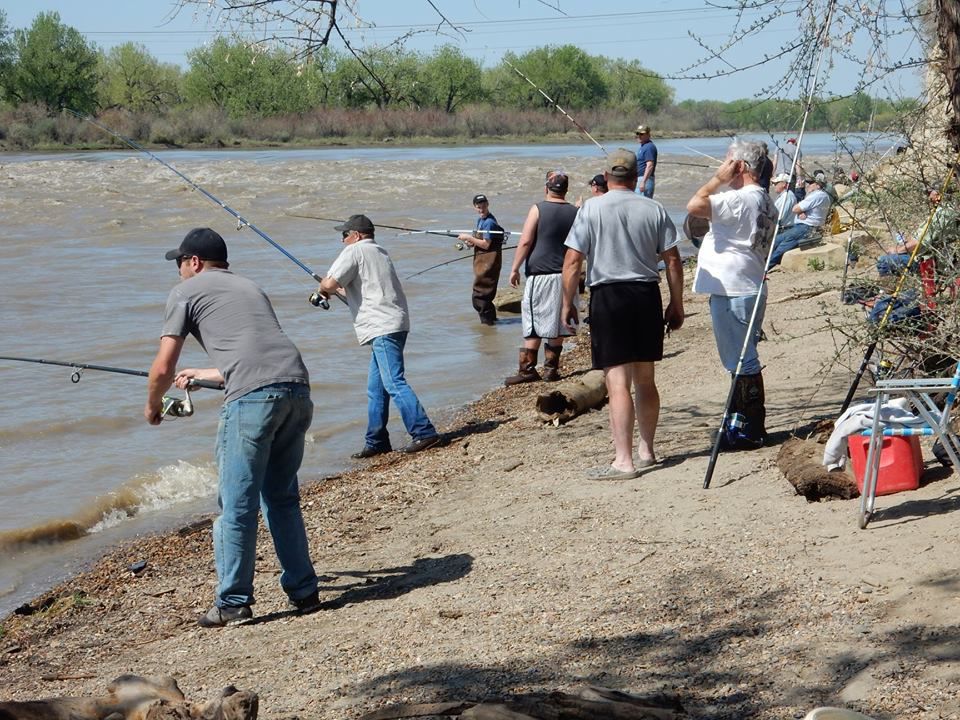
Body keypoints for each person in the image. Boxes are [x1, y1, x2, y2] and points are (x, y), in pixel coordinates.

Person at [145, 227, 319, 628]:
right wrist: (201, 376)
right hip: (297, 389)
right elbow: (254, 360)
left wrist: (152, 407)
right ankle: (305, 591)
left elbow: (162, 366)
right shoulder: (250, 287)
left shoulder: (185, 292)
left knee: (235, 505)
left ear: (194, 262)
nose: (178, 272)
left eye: (179, 263)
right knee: (281, 499)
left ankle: (233, 602)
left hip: (253, 401)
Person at [561, 148, 684, 480]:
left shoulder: (590, 209)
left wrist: (567, 302)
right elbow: (673, 260)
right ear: (634, 176)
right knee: (645, 380)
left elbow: (573, 261)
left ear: (606, 175)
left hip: (609, 296)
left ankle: (623, 461)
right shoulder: (654, 207)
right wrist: (677, 303)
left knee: (617, 384)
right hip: (645, 295)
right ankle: (647, 452)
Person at [318, 214, 441, 459]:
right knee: (376, 388)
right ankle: (376, 441)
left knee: (394, 382)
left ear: (357, 235)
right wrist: (336, 290)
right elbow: (365, 287)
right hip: (395, 322)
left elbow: (330, 283)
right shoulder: (380, 251)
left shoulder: (354, 251)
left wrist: (321, 290)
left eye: (345, 235)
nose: (342, 240)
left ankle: (424, 432)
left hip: (382, 327)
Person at [686, 140, 778, 450]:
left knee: (742, 361)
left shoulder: (741, 199)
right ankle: (743, 422)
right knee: (742, 359)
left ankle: (750, 427)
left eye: (728, 161)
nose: (723, 165)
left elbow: (695, 205)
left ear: (739, 167)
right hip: (747, 284)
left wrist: (717, 179)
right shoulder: (765, 199)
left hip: (735, 288)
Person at [505, 170, 579, 385]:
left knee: (533, 321)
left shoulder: (538, 209)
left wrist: (514, 268)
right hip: (566, 274)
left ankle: (527, 370)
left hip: (541, 274)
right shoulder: (575, 212)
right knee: (558, 321)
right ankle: (551, 369)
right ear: (565, 190)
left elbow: (526, 241)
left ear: (546, 188)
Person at [876, 188, 954, 276]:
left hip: (926, 259)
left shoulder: (943, 214)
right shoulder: (943, 211)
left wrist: (897, 250)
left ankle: (890, 287)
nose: (928, 196)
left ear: (938, 194)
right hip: (926, 256)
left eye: (930, 192)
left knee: (883, 262)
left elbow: (920, 242)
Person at [457, 194, 504, 326]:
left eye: (483, 206)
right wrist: (470, 242)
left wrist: (469, 237)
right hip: (483, 261)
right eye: (479, 207)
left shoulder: (489, 222)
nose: (481, 209)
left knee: (480, 298)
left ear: (488, 204)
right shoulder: (481, 220)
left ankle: (488, 328)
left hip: (489, 262)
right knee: (484, 297)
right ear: (474, 207)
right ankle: (493, 324)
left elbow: (486, 244)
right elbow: (479, 241)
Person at [768, 176, 832, 267]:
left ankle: (766, 267)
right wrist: (802, 211)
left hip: (806, 227)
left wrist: (801, 210)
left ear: (818, 185)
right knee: (776, 241)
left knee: (780, 247)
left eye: (811, 184)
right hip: (806, 226)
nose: (808, 185)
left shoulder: (817, 195)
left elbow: (795, 209)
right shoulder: (824, 196)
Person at [634, 124, 658, 198]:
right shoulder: (643, 147)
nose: (639, 136)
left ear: (648, 135)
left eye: (641, 134)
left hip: (645, 180)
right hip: (640, 179)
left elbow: (650, 165)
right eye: (637, 133)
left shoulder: (649, 147)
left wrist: (643, 182)